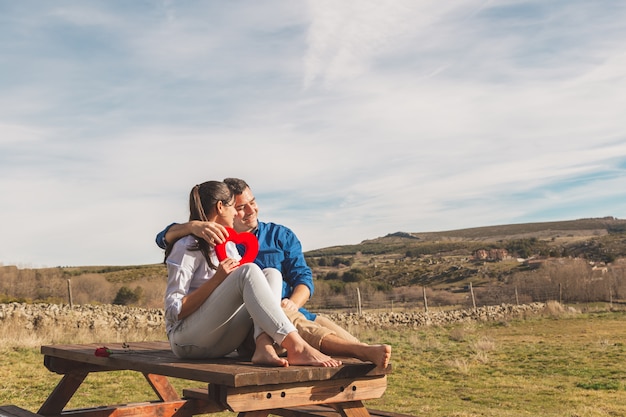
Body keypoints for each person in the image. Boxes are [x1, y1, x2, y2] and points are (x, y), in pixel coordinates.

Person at [156, 178, 358, 343]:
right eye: (241, 207)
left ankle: (361, 350)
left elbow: (303, 278)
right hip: (249, 322)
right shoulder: (210, 240)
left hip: (293, 312)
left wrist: (293, 303)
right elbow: (163, 238)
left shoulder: (280, 235)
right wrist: (192, 226)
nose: (250, 211)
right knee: (348, 351)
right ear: (222, 208)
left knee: (351, 344)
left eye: (252, 202)